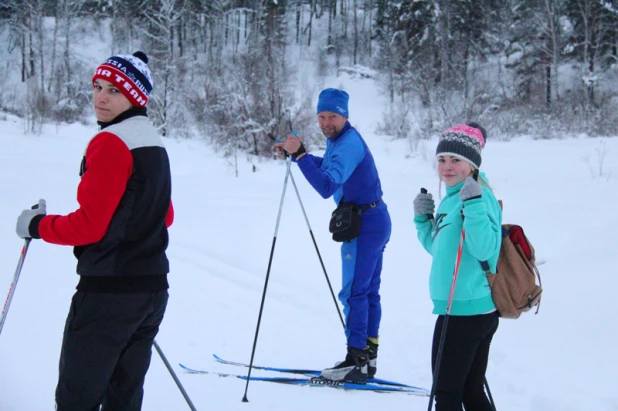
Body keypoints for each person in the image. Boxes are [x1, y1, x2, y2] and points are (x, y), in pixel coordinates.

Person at [15, 51, 174, 411]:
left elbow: (89, 226)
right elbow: (165, 216)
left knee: (78, 398)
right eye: (98, 87)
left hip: (108, 295)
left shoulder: (111, 142)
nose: (101, 97)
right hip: (151, 293)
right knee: (123, 398)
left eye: (114, 91)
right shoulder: (153, 141)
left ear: (135, 96)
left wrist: (36, 225)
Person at [274, 88, 391, 384]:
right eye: (322, 116)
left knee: (354, 292)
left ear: (345, 116)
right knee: (367, 291)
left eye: (333, 116)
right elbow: (326, 168)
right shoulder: (339, 141)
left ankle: (355, 360)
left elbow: (326, 186)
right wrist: (298, 155)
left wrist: (300, 156)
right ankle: (367, 356)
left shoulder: (348, 144)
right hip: (372, 219)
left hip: (364, 224)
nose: (326, 122)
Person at [413, 123, 502, 410]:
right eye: (442, 159)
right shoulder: (453, 197)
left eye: (456, 160)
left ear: (472, 164)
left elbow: (485, 249)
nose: (447, 167)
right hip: (459, 308)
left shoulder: (479, 195)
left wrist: (475, 205)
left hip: (468, 310)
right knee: (469, 391)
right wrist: (423, 220)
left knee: (448, 393)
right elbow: (441, 251)